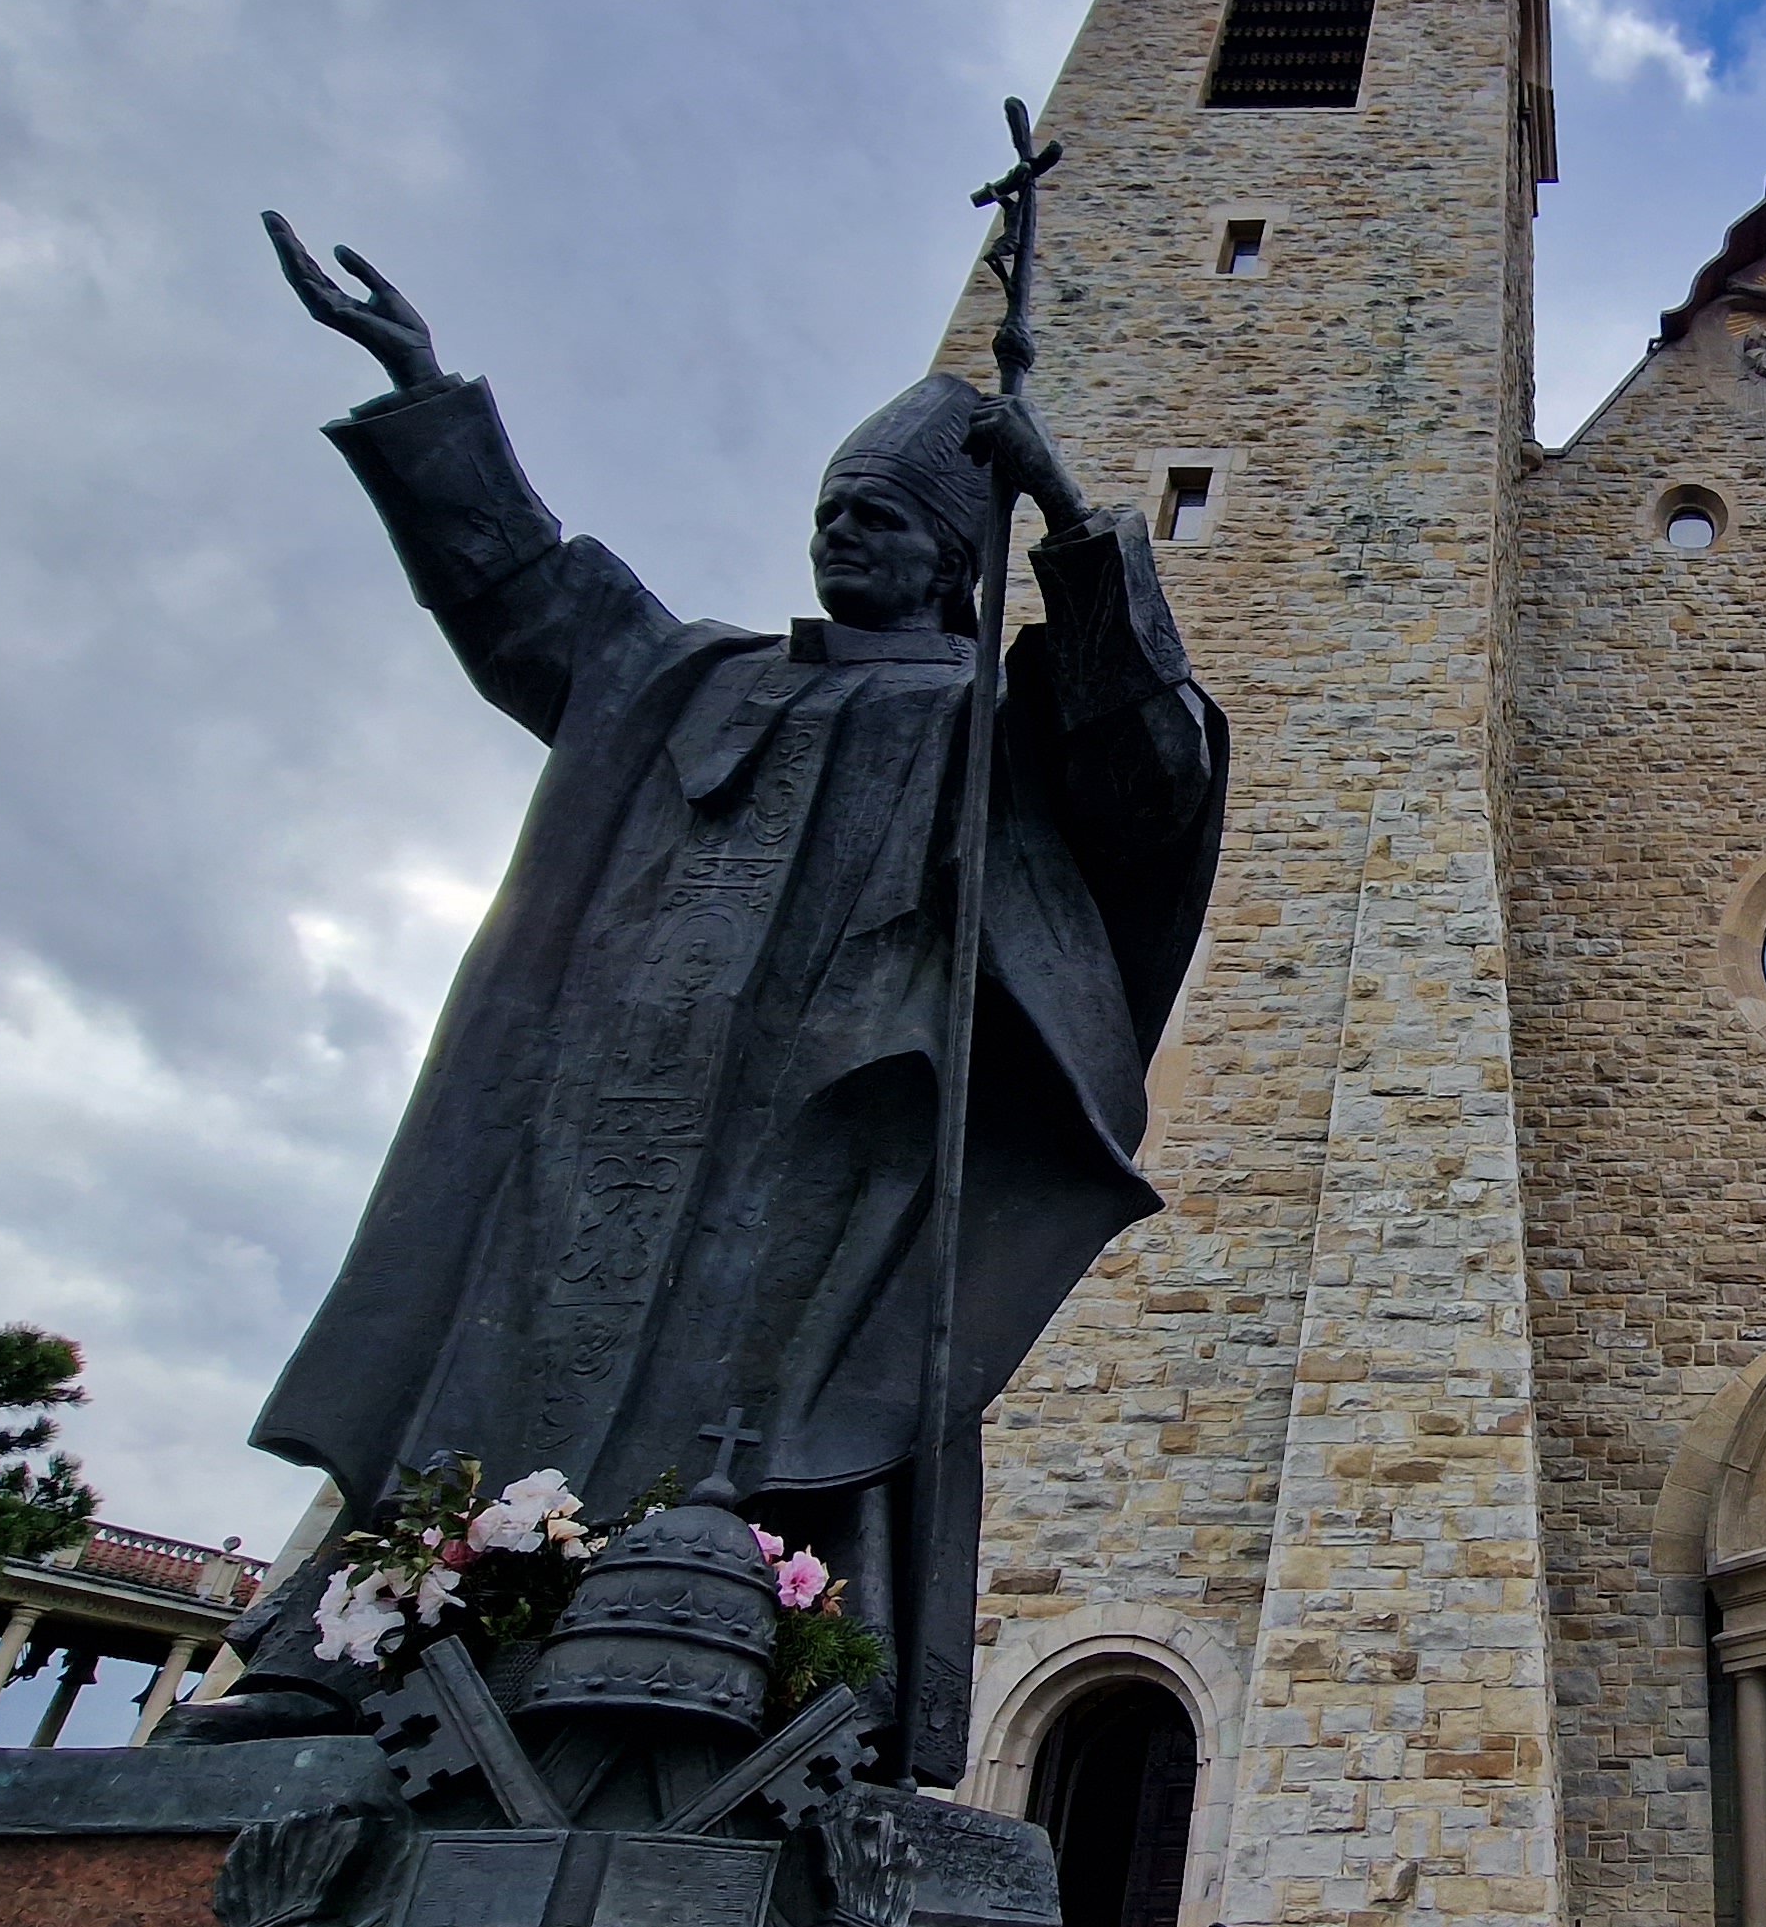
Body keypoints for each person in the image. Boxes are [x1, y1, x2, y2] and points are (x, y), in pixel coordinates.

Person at [177, 217, 1223, 1779]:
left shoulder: (992, 729)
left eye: (881, 518)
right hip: (615, 1112)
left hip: (826, 1140)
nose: (843, 537)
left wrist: (1072, 515)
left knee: (785, 1411)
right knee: (510, 1342)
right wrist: (426, 396)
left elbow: (1152, 772)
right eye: (831, 512)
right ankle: (372, 1641)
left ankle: (771, 1660)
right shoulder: (702, 676)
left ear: (950, 551)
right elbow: (525, 598)